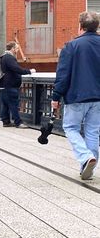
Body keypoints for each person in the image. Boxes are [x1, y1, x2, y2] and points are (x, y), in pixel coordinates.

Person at [51, 11, 100, 180]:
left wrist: (56, 96)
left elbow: (63, 74)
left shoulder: (71, 46)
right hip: (98, 98)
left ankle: (86, 158)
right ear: (97, 26)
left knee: (71, 128)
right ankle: (88, 169)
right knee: (93, 132)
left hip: (76, 96)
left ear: (80, 26)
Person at [0, 42, 35, 128]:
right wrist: (29, 71)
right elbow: (16, 69)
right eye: (17, 48)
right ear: (12, 48)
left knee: (5, 104)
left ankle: (6, 121)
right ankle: (18, 122)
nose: (17, 50)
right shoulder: (9, 58)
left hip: (3, 84)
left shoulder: (3, 57)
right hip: (10, 85)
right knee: (13, 104)